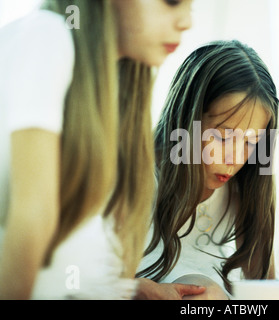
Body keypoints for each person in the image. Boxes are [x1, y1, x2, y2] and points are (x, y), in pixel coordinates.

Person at [0, 0, 205, 300]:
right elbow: (32, 216)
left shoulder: (123, 80)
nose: (187, 22)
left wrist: (129, 290)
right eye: (171, 2)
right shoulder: (46, 35)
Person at [137, 40, 279, 299]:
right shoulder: (137, 173)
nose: (234, 158)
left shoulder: (242, 189)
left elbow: (264, 289)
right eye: (223, 137)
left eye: (250, 142)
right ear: (187, 118)